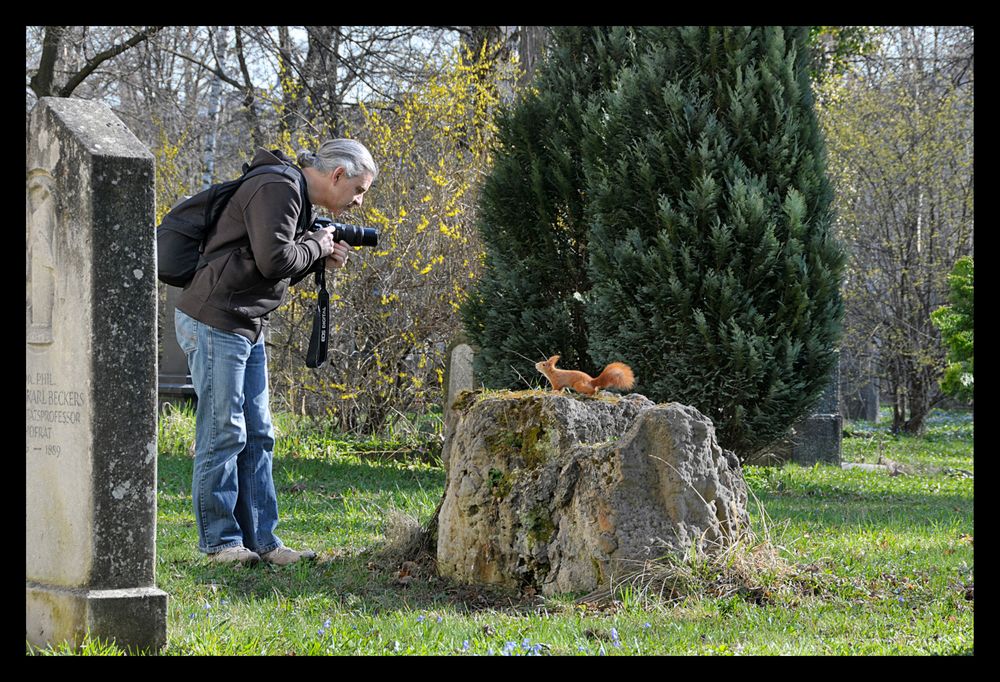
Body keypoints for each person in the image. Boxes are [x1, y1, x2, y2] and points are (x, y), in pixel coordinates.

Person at [174, 139, 378, 565]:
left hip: (246, 322)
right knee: (224, 432)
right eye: (359, 190)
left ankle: (264, 543)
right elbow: (274, 261)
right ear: (337, 175)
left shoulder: (294, 195)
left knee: (259, 433)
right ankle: (221, 543)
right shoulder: (278, 187)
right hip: (217, 318)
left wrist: (316, 258)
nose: (359, 201)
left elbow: (273, 266)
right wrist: (317, 247)